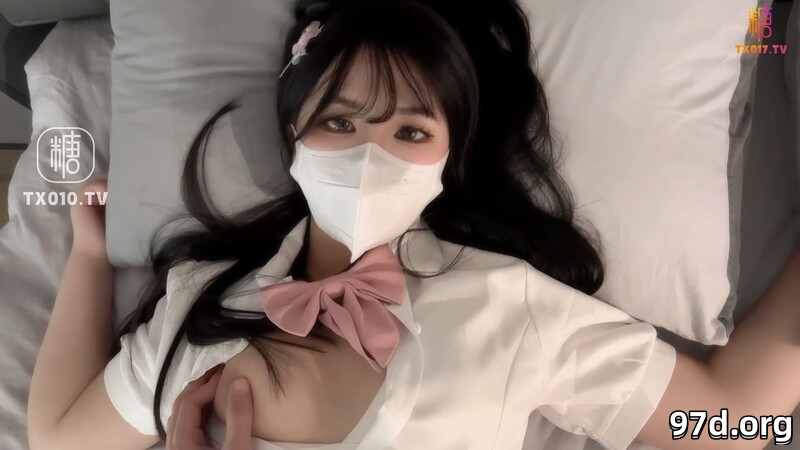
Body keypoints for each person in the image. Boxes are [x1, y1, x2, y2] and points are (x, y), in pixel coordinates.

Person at [27, 0, 800, 449]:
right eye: (339, 121)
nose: (370, 154)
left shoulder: (508, 308)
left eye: (409, 131)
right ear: (293, 137)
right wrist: (89, 255)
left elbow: (730, 422)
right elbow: (60, 437)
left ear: (448, 158)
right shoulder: (199, 303)